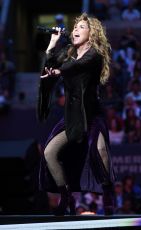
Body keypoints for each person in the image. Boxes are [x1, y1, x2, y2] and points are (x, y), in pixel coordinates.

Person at [37, 13, 116, 216]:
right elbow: (50, 64)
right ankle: (66, 195)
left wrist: (58, 72)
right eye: (74, 28)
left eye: (81, 27)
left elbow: (75, 66)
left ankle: (108, 193)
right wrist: (52, 44)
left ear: (91, 32)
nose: (75, 30)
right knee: (49, 153)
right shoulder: (69, 52)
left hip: (91, 115)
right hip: (72, 117)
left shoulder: (95, 54)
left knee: (100, 150)